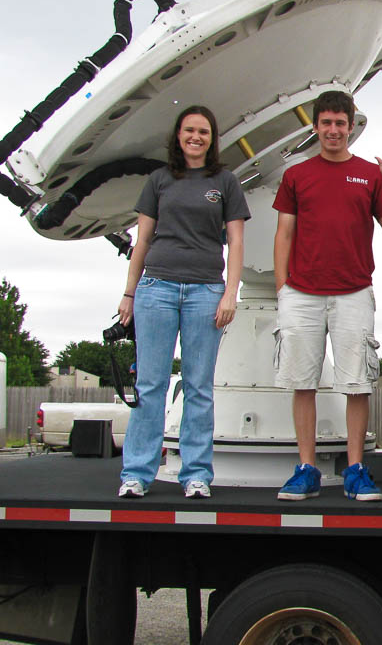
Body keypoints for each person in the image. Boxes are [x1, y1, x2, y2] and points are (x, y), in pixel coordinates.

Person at [273, 90, 382, 502]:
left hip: (353, 292)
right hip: (302, 293)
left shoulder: (369, 174)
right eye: (326, 123)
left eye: (340, 123)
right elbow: (284, 233)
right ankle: (306, 468)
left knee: (357, 383)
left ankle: (355, 470)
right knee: (303, 383)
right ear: (316, 126)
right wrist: (282, 289)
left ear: (351, 126)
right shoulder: (297, 174)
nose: (333, 130)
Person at [117, 105, 250, 499]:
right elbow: (142, 242)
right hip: (156, 289)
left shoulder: (224, 182)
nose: (196, 137)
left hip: (205, 291)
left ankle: (195, 474)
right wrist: (128, 292)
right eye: (189, 130)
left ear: (212, 139)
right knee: (151, 383)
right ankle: (137, 473)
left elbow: (237, 241)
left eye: (204, 132)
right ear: (179, 135)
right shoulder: (159, 180)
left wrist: (231, 291)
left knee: (198, 387)